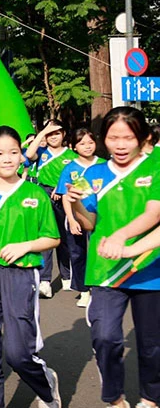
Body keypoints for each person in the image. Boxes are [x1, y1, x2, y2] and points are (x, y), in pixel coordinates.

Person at [67, 107, 160, 408]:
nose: (120, 145)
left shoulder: (156, 166)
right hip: (107, 268)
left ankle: (150, 398)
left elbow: (154, 212)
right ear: (103, 139)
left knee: (152, 346)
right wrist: (77, 205)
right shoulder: (92, 174)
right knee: (105, 338)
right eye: (113, 137)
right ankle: (114, 398)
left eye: (128, 138)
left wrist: (122, 237)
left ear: (142, 138)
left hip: (149, 267)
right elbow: (89, 223)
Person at [0, 125, 62, 408]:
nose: (7, 159)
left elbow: (53, 238)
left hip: (21, 276)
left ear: (22, 155)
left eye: (13, 152)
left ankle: (46, 384)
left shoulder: (34, 194)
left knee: (18, 353)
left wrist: (25, 246)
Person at [25, 120, 77, 298]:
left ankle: (67, 275)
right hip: (44, 195)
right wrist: (41, 132)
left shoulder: (71, 155)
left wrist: (61, 187)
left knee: (64, 237)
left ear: (63, 134)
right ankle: (45, 281)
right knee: (46, 236)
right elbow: (28, 155)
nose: (53, 136)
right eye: (50, 133)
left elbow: (76, 177)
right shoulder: (41, 152)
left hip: (64, 197)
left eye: (57, 133)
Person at [54, 127, 104, 309]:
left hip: (101, 218)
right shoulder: (70, 168)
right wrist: (72, 219)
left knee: (100, 253)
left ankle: (101, 288)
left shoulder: (104, 165)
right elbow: (66, 196)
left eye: (90, 142)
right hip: (76, 217)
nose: (87, 146)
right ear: (74, 146)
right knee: (78, 253)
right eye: (82, 143)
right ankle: (84, 291)